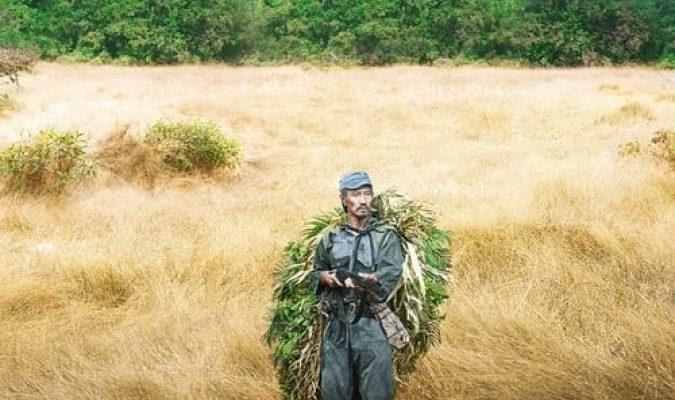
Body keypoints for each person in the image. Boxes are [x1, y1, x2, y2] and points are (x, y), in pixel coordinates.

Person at [309, 170, 403, 400]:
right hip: (337, 327)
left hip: (371, 324)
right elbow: (315, 272)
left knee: (376, 393)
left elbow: (392, 273)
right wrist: (328, 277)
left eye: (367, 194)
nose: (363, 200)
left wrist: (369, 280)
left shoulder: (386, 236)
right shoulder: (330, 238)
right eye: (356, 194)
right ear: (344, 200)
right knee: (335, 392)